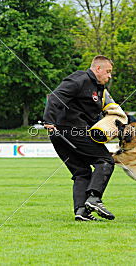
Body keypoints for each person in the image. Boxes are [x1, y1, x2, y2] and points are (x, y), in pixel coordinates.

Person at [43, 55, 116, 221]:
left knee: (81, 172)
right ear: (98, 69)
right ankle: (94, 199)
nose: (109, 76)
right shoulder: (79, 79)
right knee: (105, 160)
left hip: (62, 132)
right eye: (108, 71)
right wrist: (48, 120)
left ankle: (81, 212)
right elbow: (55, 96)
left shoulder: (99, 88)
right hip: (71, 130)